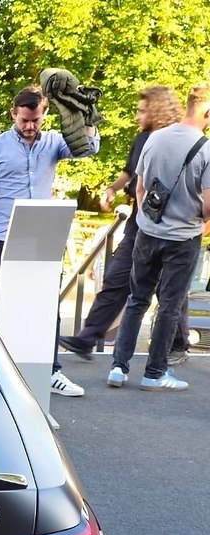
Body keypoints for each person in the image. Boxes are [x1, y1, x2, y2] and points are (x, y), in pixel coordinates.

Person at [0, 84, 100, 398]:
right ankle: (12, 372)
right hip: (5, 236)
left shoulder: (54, 142)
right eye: (24, 120)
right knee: (15, 304)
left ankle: (51, 371)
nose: (30, 127)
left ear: (44, 116)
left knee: (47, 305)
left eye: (36, 120)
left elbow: (89, 149)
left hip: (43, 233)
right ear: (14, 114)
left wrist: (87, 115)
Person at [59, 86, 185, 362]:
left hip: (167, 224)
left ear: (156, 111)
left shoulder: (176, 141)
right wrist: (112, 188)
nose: (137, 116)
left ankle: (178, 343)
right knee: (116, 279)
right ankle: (87, 338)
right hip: (138, 222)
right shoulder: (142, 138)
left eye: (142, 111)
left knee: (169, 288)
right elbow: (130, 171)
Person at [101, 83, 210, 392]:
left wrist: (147, 218)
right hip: (183, 237)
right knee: (169, 306)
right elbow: (208, 205)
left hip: (148, 231)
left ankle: (118, 368)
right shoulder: (206, 148)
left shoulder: (155, 138)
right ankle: (154, 372)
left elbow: (140, 187)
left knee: (136, 299)